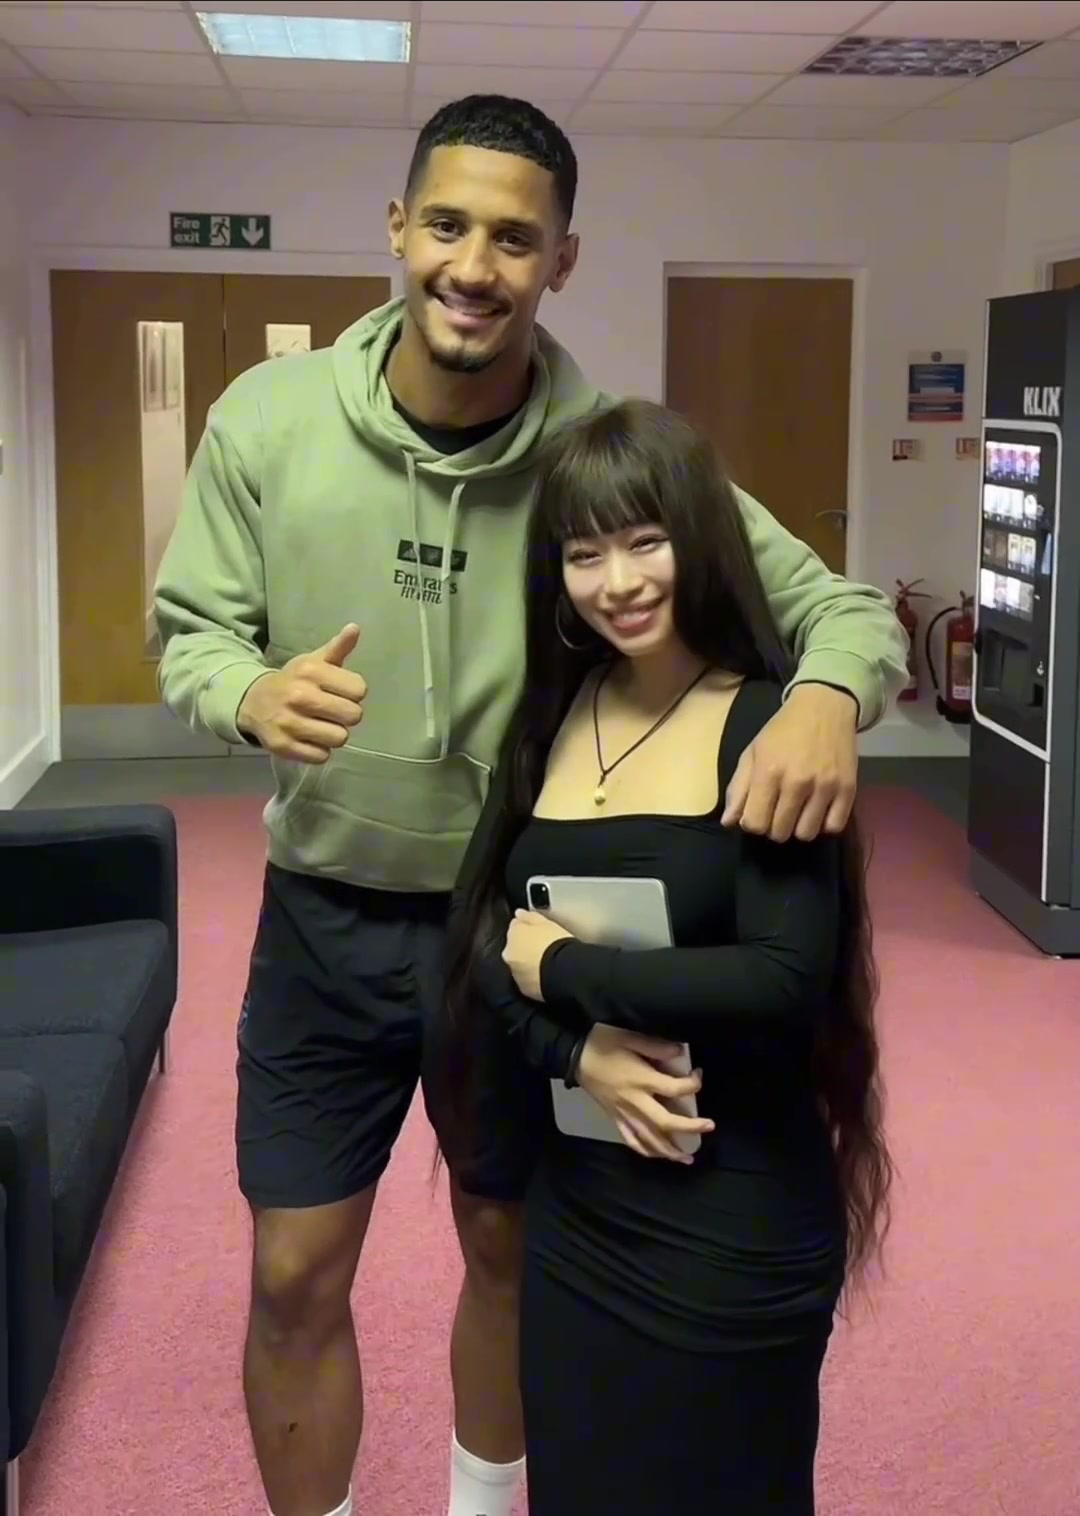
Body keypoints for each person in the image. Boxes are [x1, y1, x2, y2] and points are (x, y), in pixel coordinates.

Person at [153, 95, 906, 1516]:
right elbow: (192, 631)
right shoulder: (266, 417)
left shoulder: (591, 447)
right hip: (322, 915)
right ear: (398, 228)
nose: (473, 264)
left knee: (505, 1243)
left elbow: (842, 609)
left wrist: (825, 697)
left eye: (514, 238)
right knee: (292, 1268)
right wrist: (247, 693)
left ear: (562, 260)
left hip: (506, 927)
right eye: (446, 225)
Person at [441, 398, 893, 1515]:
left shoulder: (766, 725)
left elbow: (779, 979)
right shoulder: (552, 716)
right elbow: (487, 934)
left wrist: (569, 977)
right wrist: (577, 1052)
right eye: (584, 553)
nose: (618, 581)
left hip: (732, 1211)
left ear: (700, 537)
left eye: (646, 541)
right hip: (580, 1209)